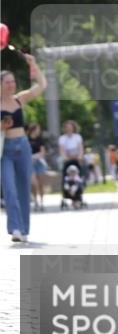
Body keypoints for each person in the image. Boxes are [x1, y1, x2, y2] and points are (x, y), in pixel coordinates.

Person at [2, 54, 46, 242]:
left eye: (13, 82)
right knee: (9, 190)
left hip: (23, 147)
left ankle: (24, 229)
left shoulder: (20, 99)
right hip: (5, 150)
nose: (12, 85)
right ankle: (14, 228)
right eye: (7, 82)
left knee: (23, 189)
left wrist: (33, 64)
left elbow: (42, 85)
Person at [27, 124, 48, 211]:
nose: (38, 131)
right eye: (37, 129)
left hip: (39, 162)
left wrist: (35, 156)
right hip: (29, 163)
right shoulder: (26, 139)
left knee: (40, 184)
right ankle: (35, 201)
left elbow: (43, 152)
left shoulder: (40, 140)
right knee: (34, 183)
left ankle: (42, 201)